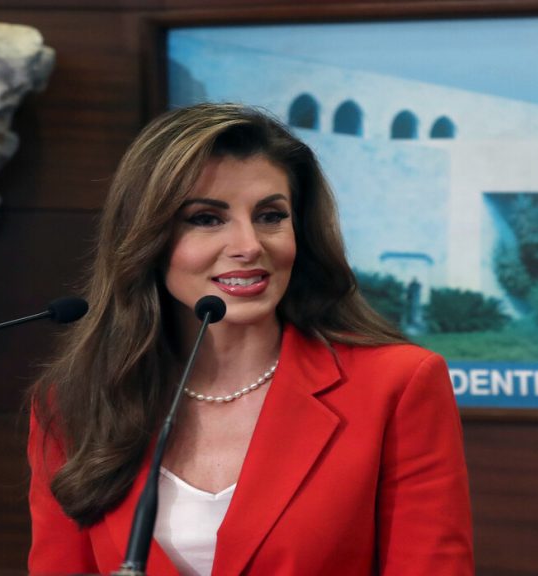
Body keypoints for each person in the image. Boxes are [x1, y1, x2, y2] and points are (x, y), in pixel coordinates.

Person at [28, 103, 473, 575]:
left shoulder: (396, 384)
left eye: (270, 215)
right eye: (206, 218)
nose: (249, 245)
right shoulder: (74, 402)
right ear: (145, 239)